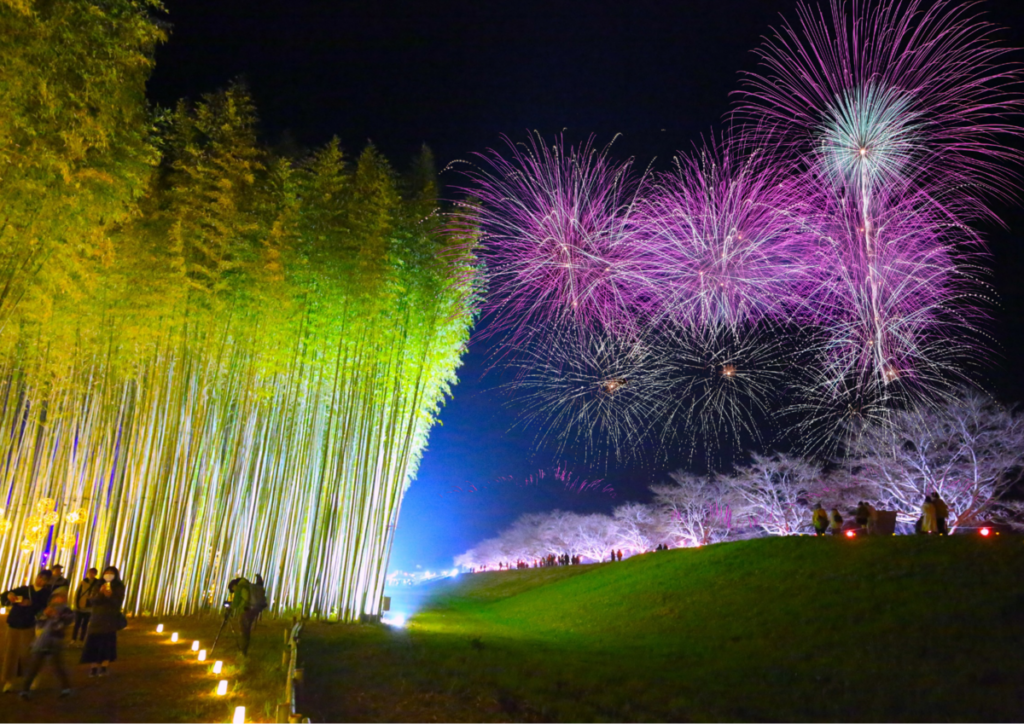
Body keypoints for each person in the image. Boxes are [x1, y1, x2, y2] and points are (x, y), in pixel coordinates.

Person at [1, 570, 53, 692]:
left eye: (44, 579)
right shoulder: (25, 589)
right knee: (11, 653)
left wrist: (30, 604)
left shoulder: (46, 593)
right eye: (39, 577)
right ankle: (8, 681)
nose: (40, 580)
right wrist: (10, 595)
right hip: (14, 623)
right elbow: (5, 595)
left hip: (29, 625)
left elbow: (44, 608)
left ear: (47, 581)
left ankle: (32, 677)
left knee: (27, 653)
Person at [19, 589, 74, 699]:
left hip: (55, 641)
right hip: (42, 641)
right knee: (34, 666)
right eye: (57, 597)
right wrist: (44, 615)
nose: (59, 599)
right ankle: (25, 690)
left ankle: (66, 689)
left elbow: (63, 624)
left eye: (62, 597)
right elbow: (38, 622)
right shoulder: (46, 609)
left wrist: (55, 616)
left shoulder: (67, 611)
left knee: (58, 666)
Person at [80, 566, 125, 677]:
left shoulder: (119, 586)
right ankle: (94, 667)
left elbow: (118, 602)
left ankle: (104, 666)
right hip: (97, 618)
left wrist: (110, 596)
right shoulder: (98, 585)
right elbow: (93, 600)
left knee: (107, 643)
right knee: (94, 642)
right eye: (106, 572)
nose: (108, 574)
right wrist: (101, 593)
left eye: (111, 573)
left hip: (110, 618)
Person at [227, 577, 258, 656]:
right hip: (252, 612)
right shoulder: (248, 585)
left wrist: (231, 606)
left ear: (234, 585)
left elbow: (236, 602)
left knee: (243, 632)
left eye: (233, 590)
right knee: (247, 632)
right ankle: (245, 649)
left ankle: (243, 651)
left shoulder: (240, 587)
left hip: (244, 612)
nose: (234, 591)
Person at [72, 568, 100, 646]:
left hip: (90, 607)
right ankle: (73, 639)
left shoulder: (97, 583)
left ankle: (81, 639)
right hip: (81, 605)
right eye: (90, 573)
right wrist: (76, 605)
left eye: (93, 573)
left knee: (85, 624)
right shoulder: (83, 582)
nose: (91, 574)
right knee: (77, 624)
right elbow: (77, 593)